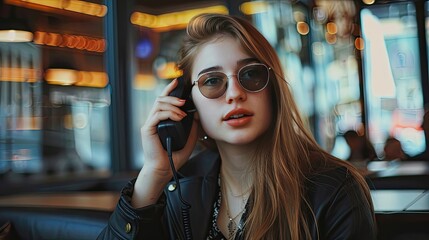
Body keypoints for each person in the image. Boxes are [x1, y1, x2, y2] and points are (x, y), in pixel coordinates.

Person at [98, 13, 376, 240]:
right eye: (212, 81)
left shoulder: (334, 188)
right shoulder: (178, 189)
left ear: (273, 90)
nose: (234, 94)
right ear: (186, 101)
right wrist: (153, 175)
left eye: (251, 74)